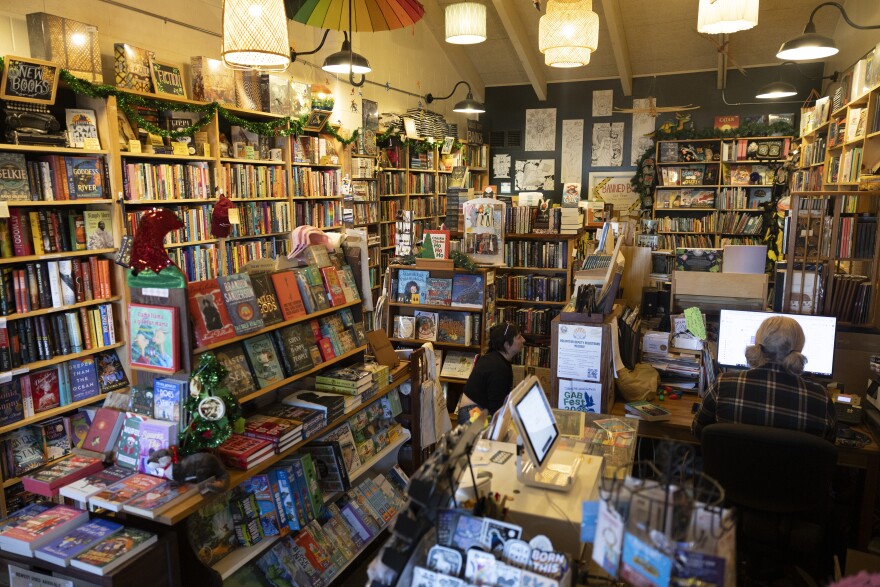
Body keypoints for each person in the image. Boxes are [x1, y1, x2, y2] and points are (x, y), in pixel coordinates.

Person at [692, 316, 836, 441]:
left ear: (758, 344)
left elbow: (698, 430)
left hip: (730, 472)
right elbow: (827, 447)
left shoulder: (723, 384)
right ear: (799, 348)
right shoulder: (821, 398)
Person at [458, 322, 525, 422]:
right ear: (507, 345)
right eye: (519, 337)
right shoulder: (498, 367)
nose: (524, 340)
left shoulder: (498, 359)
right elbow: (496, 410)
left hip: (477, 409)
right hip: (472, 412)